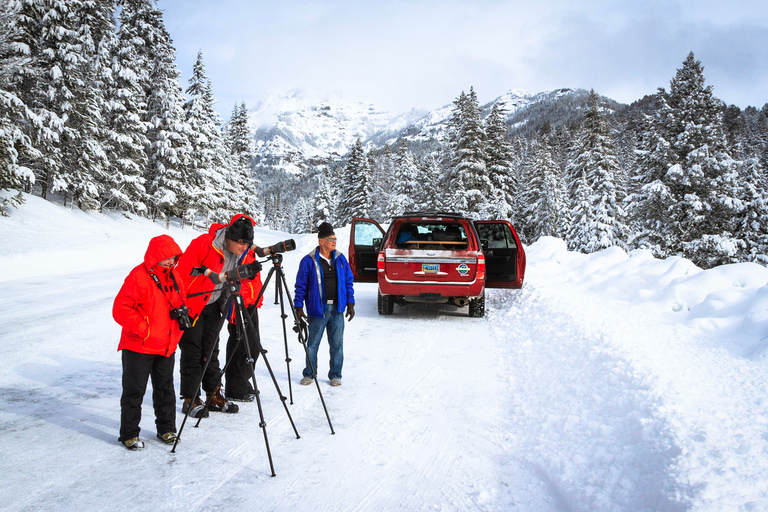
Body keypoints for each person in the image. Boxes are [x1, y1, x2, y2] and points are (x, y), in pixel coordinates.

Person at [175, 214, 264, 416]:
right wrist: (180, 307)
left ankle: (213, 394)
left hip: (214, 305)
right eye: (241, 243)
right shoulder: (204, 244)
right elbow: (180, 276)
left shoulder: (238, 252)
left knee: (211, 350)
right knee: (193, 351)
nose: (244, 248)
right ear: (230, 238)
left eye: (247, 244)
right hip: (193, 304)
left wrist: (246, 273)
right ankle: (190, 398)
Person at [112, 234, 188, 450]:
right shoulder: (138, 276)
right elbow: (120, 309)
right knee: (134, 391)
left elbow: (180, 303)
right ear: (156, 256)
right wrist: (143, 329)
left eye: (174, 257)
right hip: (139, 345)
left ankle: (166, 429)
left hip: (166, 345)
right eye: (168, 257)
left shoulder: (175, 276)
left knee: (165, 390)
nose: (172, 262)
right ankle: (129, 434)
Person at [294, 222, 355, 387]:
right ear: (321, 241)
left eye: (335, 238)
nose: (334, 242)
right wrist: (298, 307)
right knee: (312, 344)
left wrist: (350, 303)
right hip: (317, 310)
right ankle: (309, 374)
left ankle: (335, 375)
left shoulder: (341, 259)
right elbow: (300, 286)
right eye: (330, 239)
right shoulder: (308, 261)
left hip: (337, 309)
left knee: (337, 344)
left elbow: (348, 282)